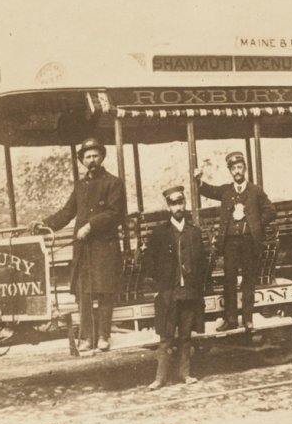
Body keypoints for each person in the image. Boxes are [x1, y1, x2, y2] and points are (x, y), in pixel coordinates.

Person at [30, 137, 126, 351]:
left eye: (95, 155)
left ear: (101, 157)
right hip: (84, 249)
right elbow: (67, 212)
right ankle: (86, 339)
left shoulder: (113, 183)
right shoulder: (80, 186)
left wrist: (91, 226)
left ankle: (103, 337)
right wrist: (44, 225)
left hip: (104, 247)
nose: (92, 160)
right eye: (87, 156)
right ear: (82, 160)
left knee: (104, 292)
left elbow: (114, 213)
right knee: (84, 294)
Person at [194, 152, 275, 332]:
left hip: (249, 242)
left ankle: (247, 319)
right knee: (229, 280)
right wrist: (199, 180)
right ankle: (230, 319)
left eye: (239, 167)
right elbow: (208, 190)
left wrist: (256, 225)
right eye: (233, 168)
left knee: (248, 280)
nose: (237, 171)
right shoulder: (226, 191)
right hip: (230, 243)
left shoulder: (255, 191)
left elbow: (271, 211)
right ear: (230, 171)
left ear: (245, 169)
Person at [144, 186, 206, 390]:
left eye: (181, 202)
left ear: (185, 204)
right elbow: (149, 262)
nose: (178, 206)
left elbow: (202, 262)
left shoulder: (193, 232)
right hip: (169, 294)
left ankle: (185, 374)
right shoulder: (159, 233)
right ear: (168, 207)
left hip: (188, 292)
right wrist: (160, 284)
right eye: (173, 203)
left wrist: (197, 285)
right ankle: (160, 378)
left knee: (186, 335)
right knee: (166, 336)